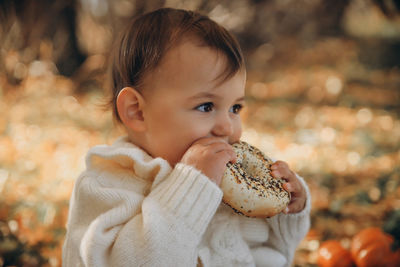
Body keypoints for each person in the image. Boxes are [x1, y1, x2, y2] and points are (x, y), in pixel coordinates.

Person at [62, 7, 310, 267]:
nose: (227, 127)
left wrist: (288, 210)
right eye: (205, 106)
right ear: (137, 112)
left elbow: (275, 253)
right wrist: (191, 188)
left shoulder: (232, 184)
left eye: (235, 108)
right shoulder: (106, 186)